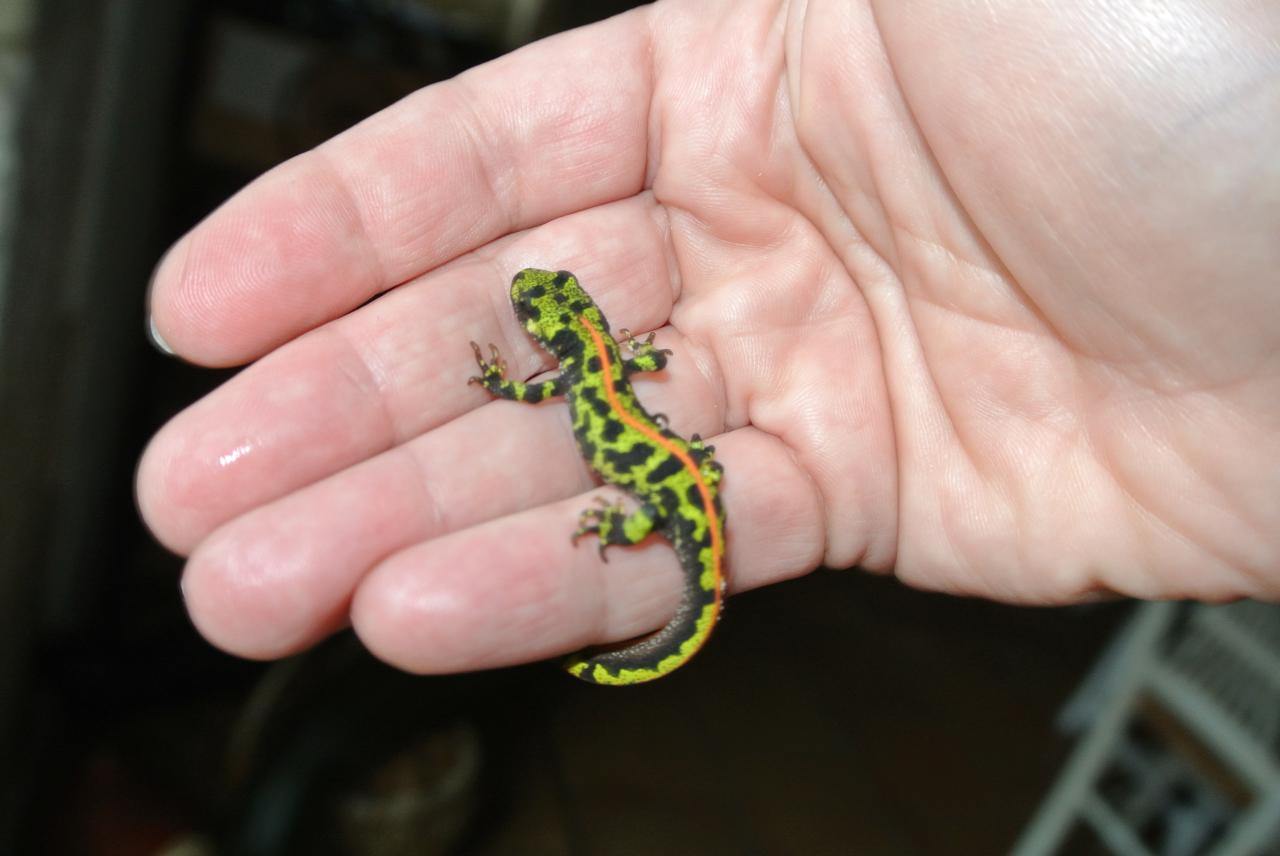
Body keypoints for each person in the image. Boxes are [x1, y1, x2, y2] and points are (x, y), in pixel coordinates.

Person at [136, 0, 1280, 674]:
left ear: (568, 327)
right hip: (673, 479)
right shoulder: (599, 365)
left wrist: (553, 427)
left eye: (544, 313)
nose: (542, 318)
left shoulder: (580, 379)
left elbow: (556, 390)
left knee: (660, 585)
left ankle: (650, 615)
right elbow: (596, 378)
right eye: (543, 312)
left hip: (672, 484)